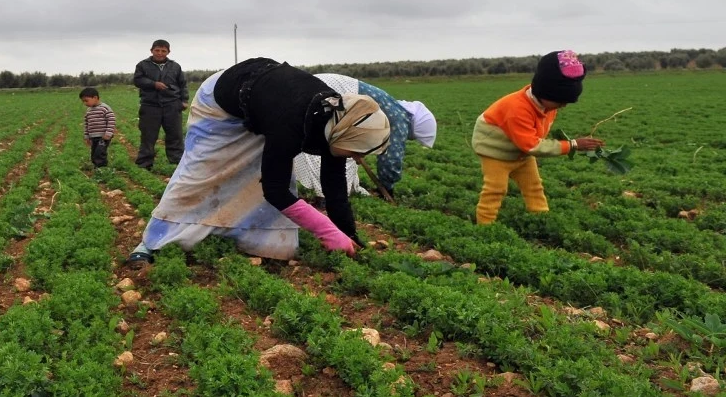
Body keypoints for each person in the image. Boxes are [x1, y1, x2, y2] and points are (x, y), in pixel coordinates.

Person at [127, 57, 391, 264]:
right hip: (219, 105)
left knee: (256, 178)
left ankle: (245, 239)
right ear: (344, 136)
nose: (357, 159)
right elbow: (275, 191)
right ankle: (153, 241)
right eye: (356, 151)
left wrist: (347, 234)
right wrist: (325, 230)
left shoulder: (337, 120)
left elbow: (334, 185)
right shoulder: (294, 123)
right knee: (200, 175)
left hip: (265, 105)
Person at [471, 50, 603, 224]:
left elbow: (532, 140)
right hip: (496, 153)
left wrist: (570, 144)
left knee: (534, 187)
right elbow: (532, 145)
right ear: (544, 93)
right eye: (560, 101)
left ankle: (541, 220)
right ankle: (485, 227)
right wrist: (572, 145)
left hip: (521, 153)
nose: (563, 105)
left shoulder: (549, 106)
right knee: (495, 189)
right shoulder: (517, 109)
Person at [293, 73, 437, 200]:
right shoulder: (400, 120)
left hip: (319, 86)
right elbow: (391, 157)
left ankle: (333, 194)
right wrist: (388, 186)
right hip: (331, 92)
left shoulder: (394, 108)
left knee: (339, 147)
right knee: (337, 148)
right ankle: (327, 196)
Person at [132, 39, 188, 170]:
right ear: (151, 50)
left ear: (168, 52)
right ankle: (144, 164)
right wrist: (153, 84)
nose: (160, 53)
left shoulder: (175, 66)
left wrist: (184, 100)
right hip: (150, 105)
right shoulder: (142, 65)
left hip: (172, 104)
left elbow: (182, 84)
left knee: (175, 135)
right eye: (157, 50)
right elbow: (137, 80)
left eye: (163, 51)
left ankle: (177, 163)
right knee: (148, 136)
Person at [80, 87, 117, 168]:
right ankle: (96, 167)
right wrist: (87, 136)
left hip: (103, 137)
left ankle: (102, 169)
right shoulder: (88, 111)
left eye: (86, 100)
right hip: (93, 137)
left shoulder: (105, 108)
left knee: (100, 153)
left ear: (95, 98)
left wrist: (108, 134)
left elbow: (111, 121)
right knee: (93, 153)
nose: (85, 103)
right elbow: (86, 124)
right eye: (83, 101)